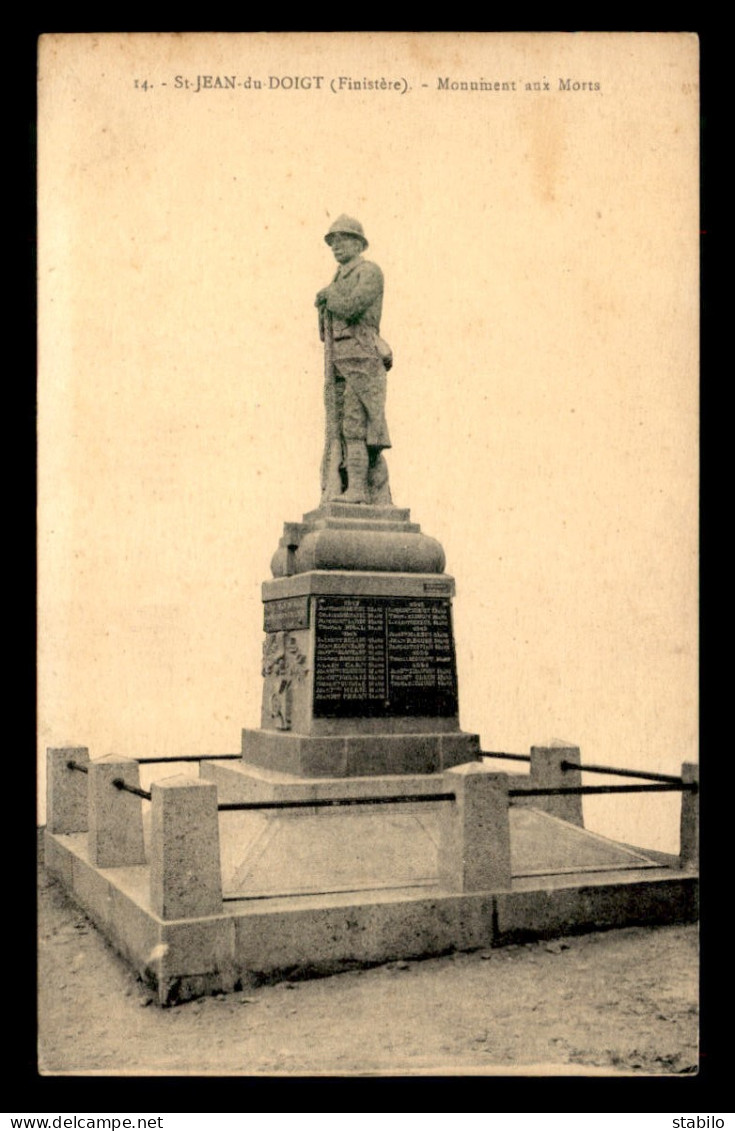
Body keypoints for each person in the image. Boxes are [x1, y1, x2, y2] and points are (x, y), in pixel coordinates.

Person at [315, 215, 393, 505]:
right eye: (333, 242)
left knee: (355, 427)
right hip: (339, 363)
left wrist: (327, 295)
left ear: (359, 244)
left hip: (362, 362)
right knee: (338, 431)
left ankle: (360, 490)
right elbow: (327, 333)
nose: (336, 246)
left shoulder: (369, 272)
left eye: (343, 240)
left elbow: (351, 307)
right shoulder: (337, 279)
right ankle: (348, 487)